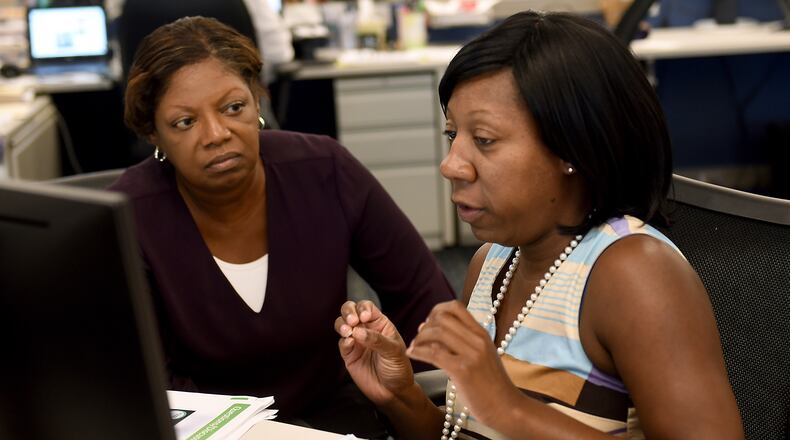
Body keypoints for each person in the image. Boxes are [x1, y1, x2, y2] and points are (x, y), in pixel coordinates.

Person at [335, 11, 744, 439]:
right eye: (453, 135)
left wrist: (508, 407)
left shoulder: (632, 274)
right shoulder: (491, 263)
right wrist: (400, 396)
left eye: (485, 140)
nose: (452, 164)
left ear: (571, 147)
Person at [108, 16, 454, 437]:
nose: (217, 134)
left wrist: (408, 397)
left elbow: (425, 299)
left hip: (332, 417)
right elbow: (142, 382)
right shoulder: (127, 216)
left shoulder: (325, 170)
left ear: (259, 100)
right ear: (153, 134)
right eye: (185, 122)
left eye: (233, 107)